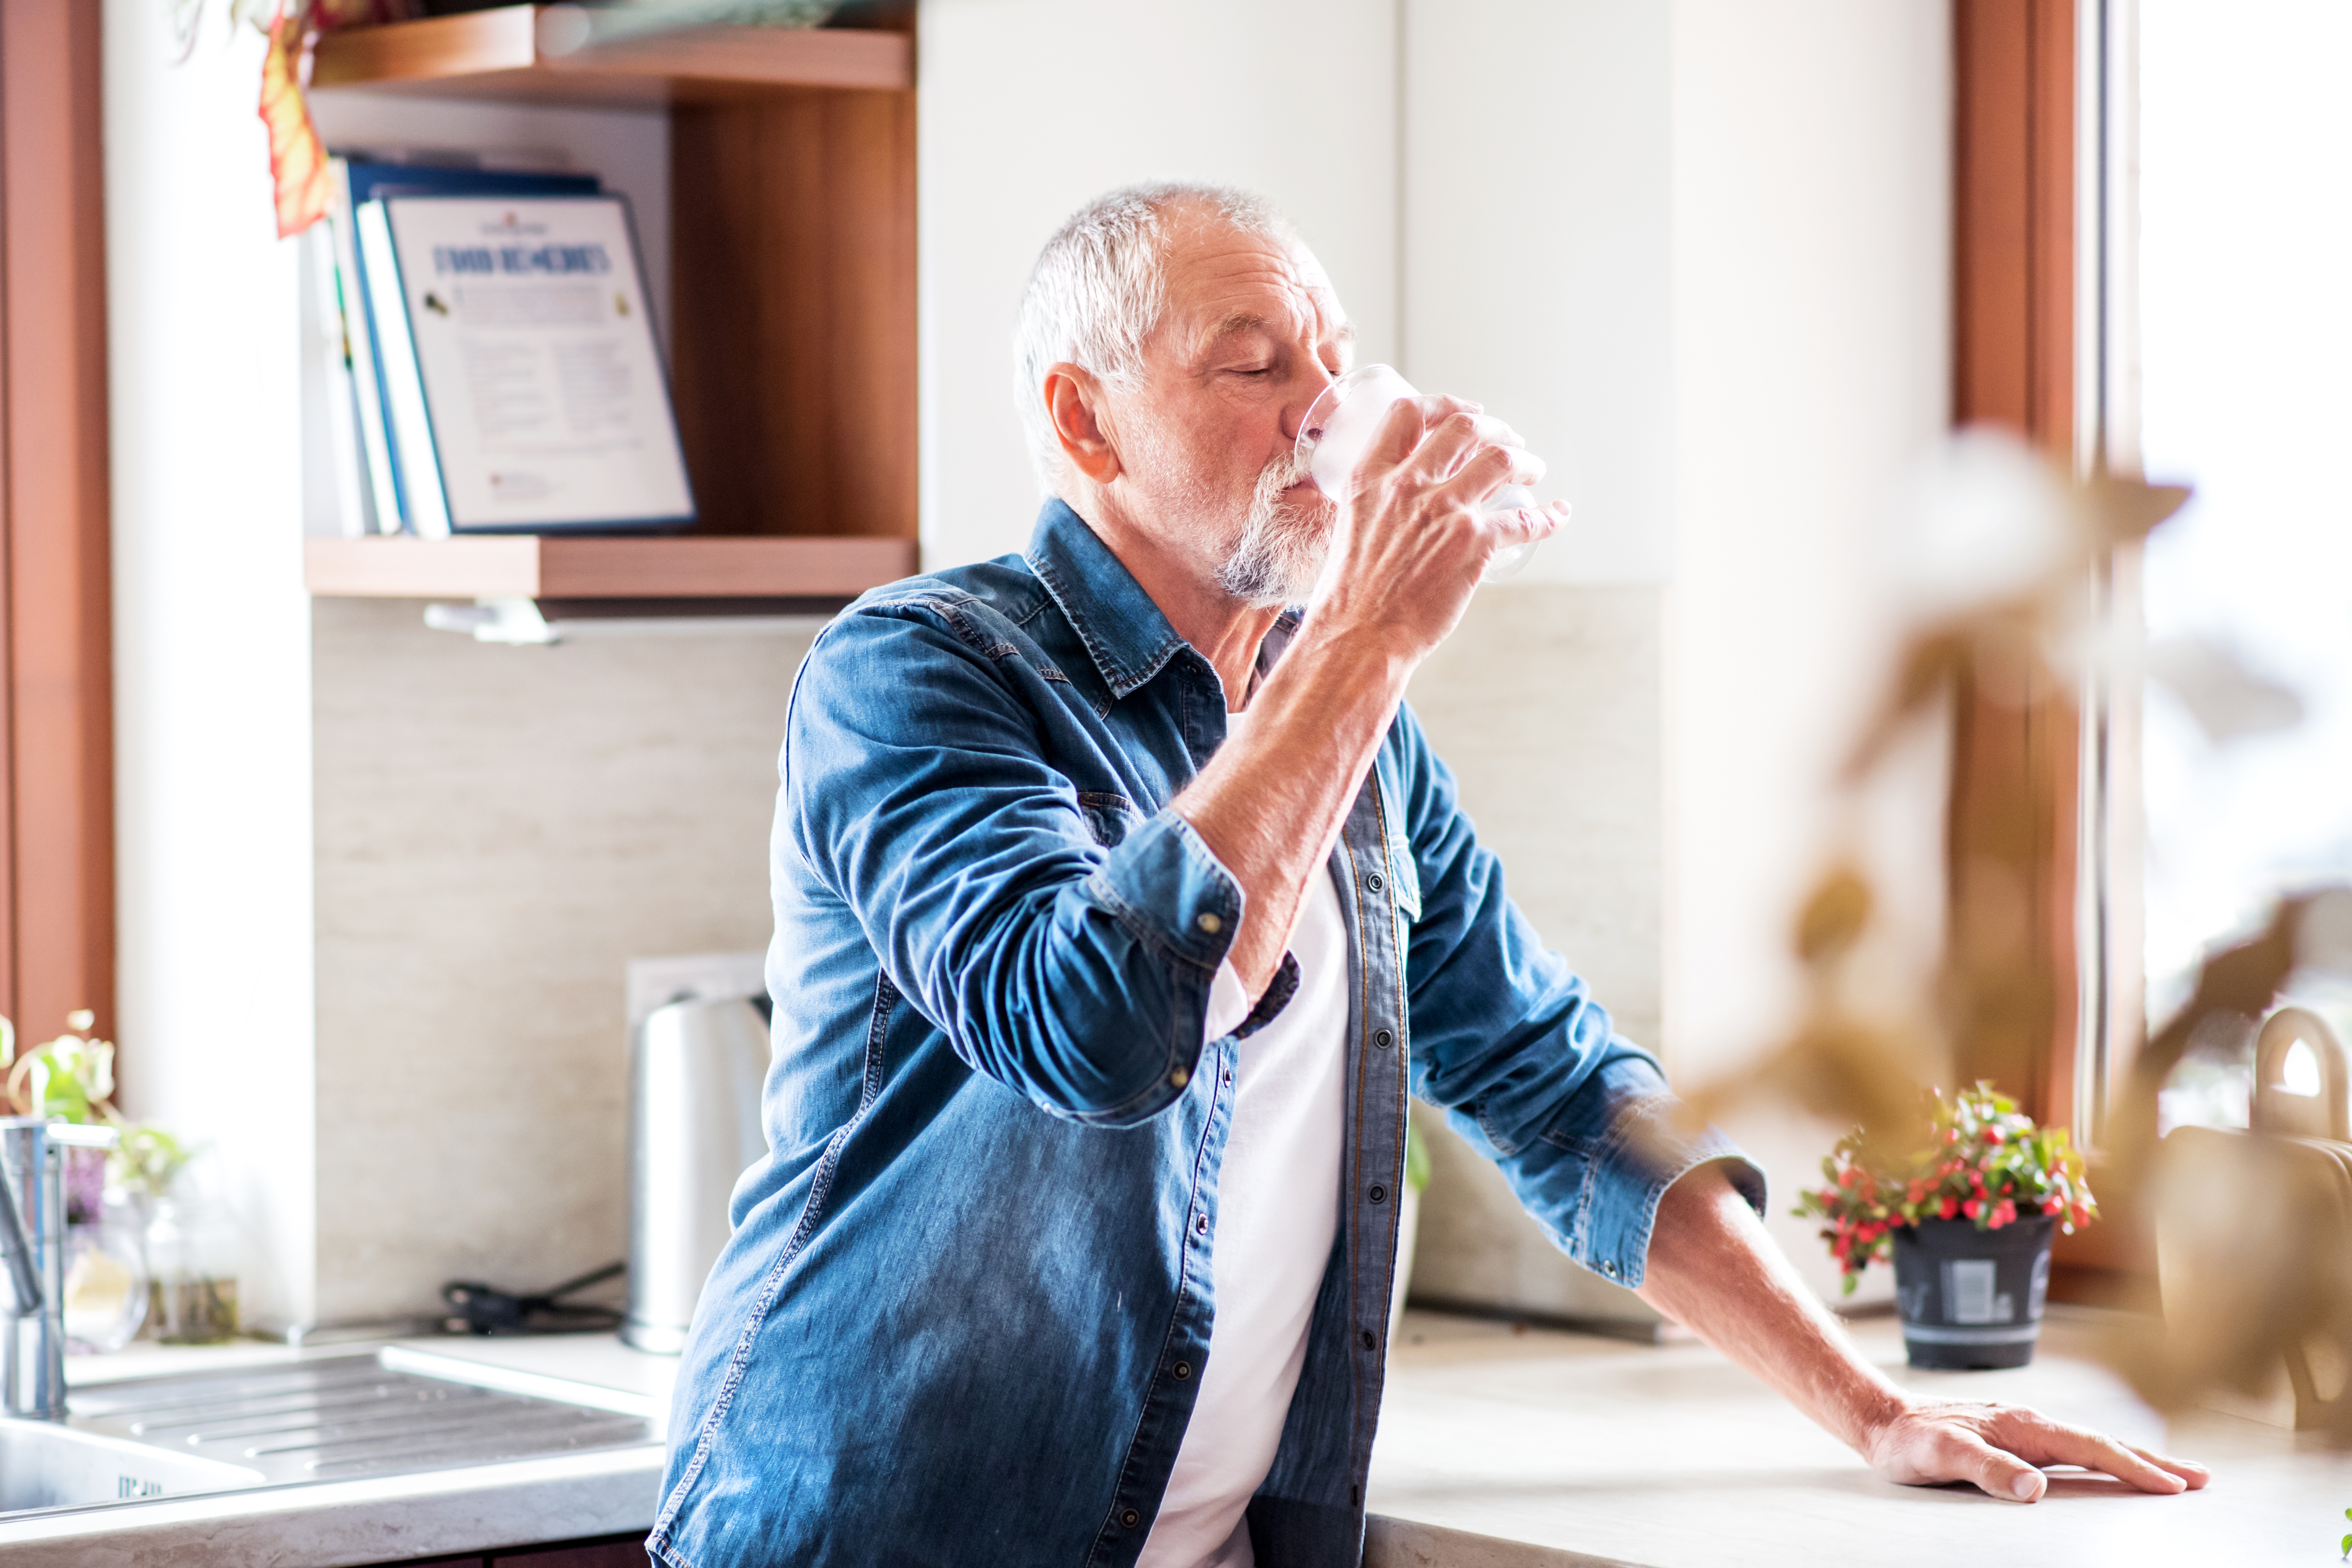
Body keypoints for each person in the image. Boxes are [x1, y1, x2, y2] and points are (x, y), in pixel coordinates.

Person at [647, 182, 2207, 1568]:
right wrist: (1371, 637)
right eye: (1255, 366)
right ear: (1086, 423)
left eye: (1330, 361)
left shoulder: (1355, 736)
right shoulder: (918, 670)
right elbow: (1098, 1031)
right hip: (870, 1526)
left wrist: (1876, 1409)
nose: (1322, 411)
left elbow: (1559, 1088)